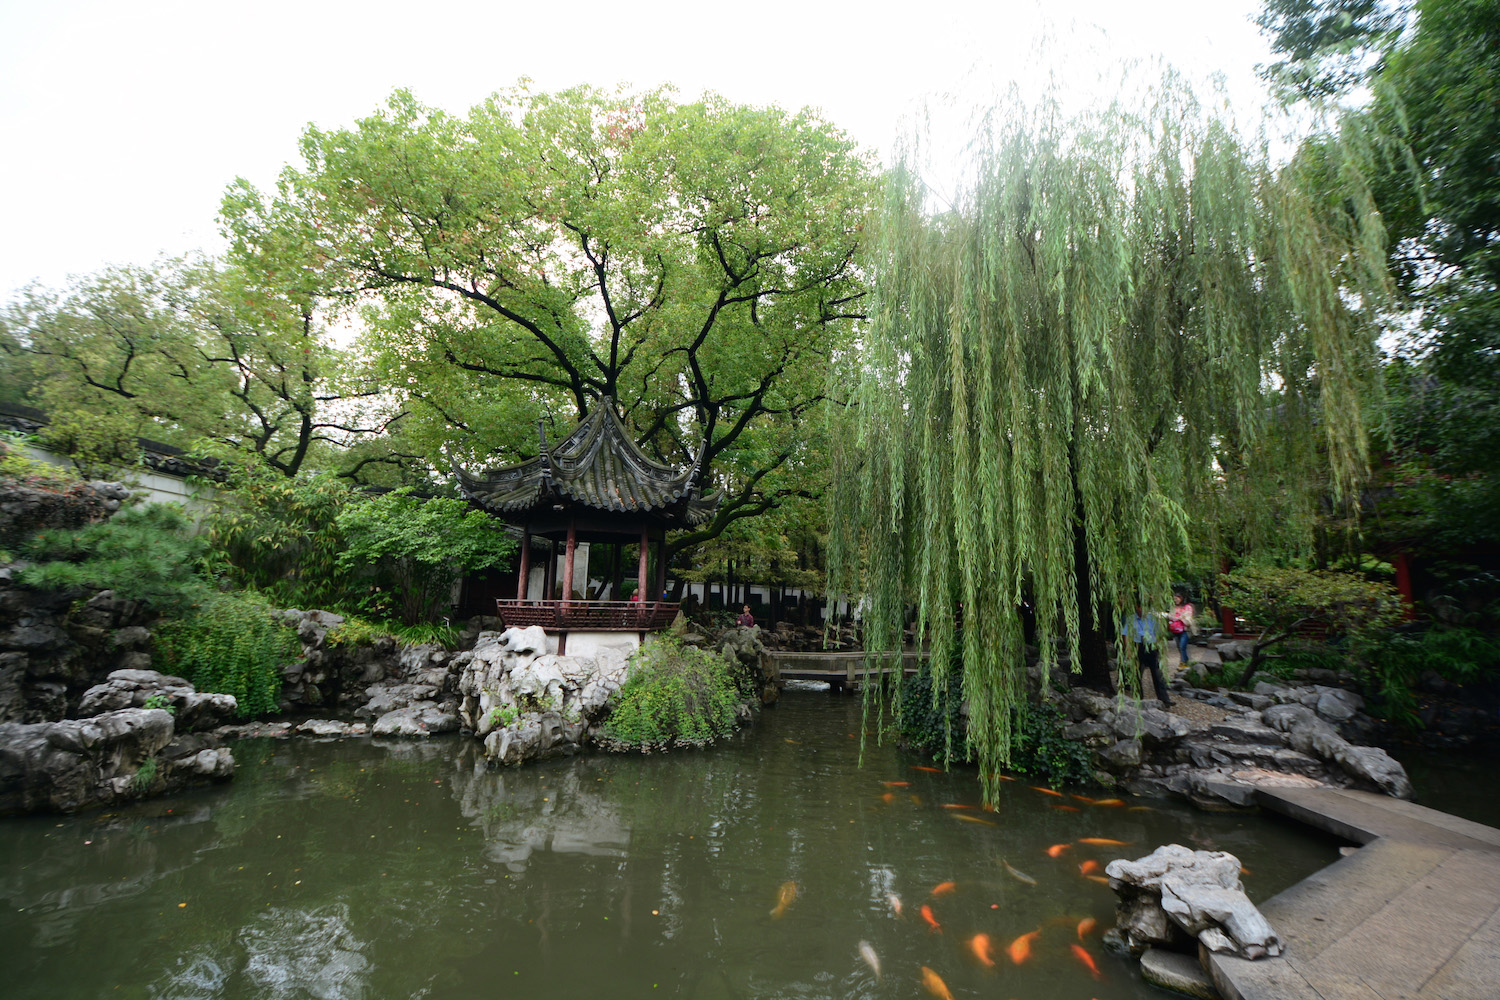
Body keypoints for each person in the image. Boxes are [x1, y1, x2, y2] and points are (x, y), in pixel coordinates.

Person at [1126, 604, 1172, 708]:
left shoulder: (1152, 619)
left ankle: (1165, 699)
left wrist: (1159, 648)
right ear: (1136, 608)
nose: (1142, 609)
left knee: (1157, 674)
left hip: (1152, 647)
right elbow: (1127, 636)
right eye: (1140, 607)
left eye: (1144, 607)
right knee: (1137, 674)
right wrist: (1129, 651)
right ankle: (1138, 699)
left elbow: (1159, 634)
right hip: (1137, 647)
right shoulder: (1131, 619)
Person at [1168, 591, 1195, 667]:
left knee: (1182, 646)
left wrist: (1177, 617)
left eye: (1177, 598)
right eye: (1174, 599)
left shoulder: (1187, 607)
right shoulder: (1173, 607)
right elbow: (1171, 616)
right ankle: (1186, 661)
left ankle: (1183, 663)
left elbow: (1187, 618)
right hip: (1175, 630)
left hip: (1184, 630)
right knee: (1180, 647)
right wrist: (1178, 617)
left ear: (1182, 598)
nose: (1175, 600)